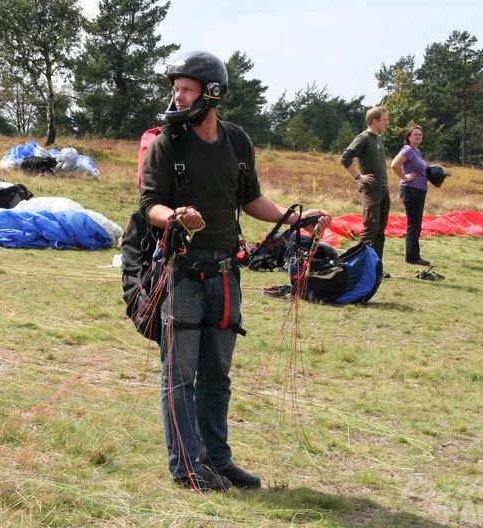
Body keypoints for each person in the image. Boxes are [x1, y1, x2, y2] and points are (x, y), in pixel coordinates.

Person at [139, 50, 331, 492]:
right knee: (180, 374)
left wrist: (293, 218)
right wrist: (174, 217)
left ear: (212, 93)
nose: (178, 97)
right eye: (176, 89)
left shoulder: (238, 141)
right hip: (182, 272)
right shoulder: (168, 143)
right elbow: (149, 205)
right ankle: (186, 466)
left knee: (217, 374)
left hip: (227, 272)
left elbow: (251, 199)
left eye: (186, 89)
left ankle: (217, 460)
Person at [340, 107, 391, 277]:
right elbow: (345, 158)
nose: (387, 122)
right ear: (375, 121)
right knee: (370, 230)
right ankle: (350, 265)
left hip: (383, 190)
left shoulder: (379, 139)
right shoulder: (363, 138)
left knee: (380, 231)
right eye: (385, 119)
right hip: (370, 191)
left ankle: (375, 268)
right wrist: (358, 177)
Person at [391, 125, 431, 266]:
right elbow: (394, 164)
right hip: (411, 190)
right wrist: (404, 176)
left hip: (419, 191)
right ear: (408, 137)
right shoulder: (408, 150)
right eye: (415, 134)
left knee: (416, 224)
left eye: (420, 134)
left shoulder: (417, 152)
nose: (418, 136)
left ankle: (414, 255)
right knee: (413, 225)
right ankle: (412, 257)